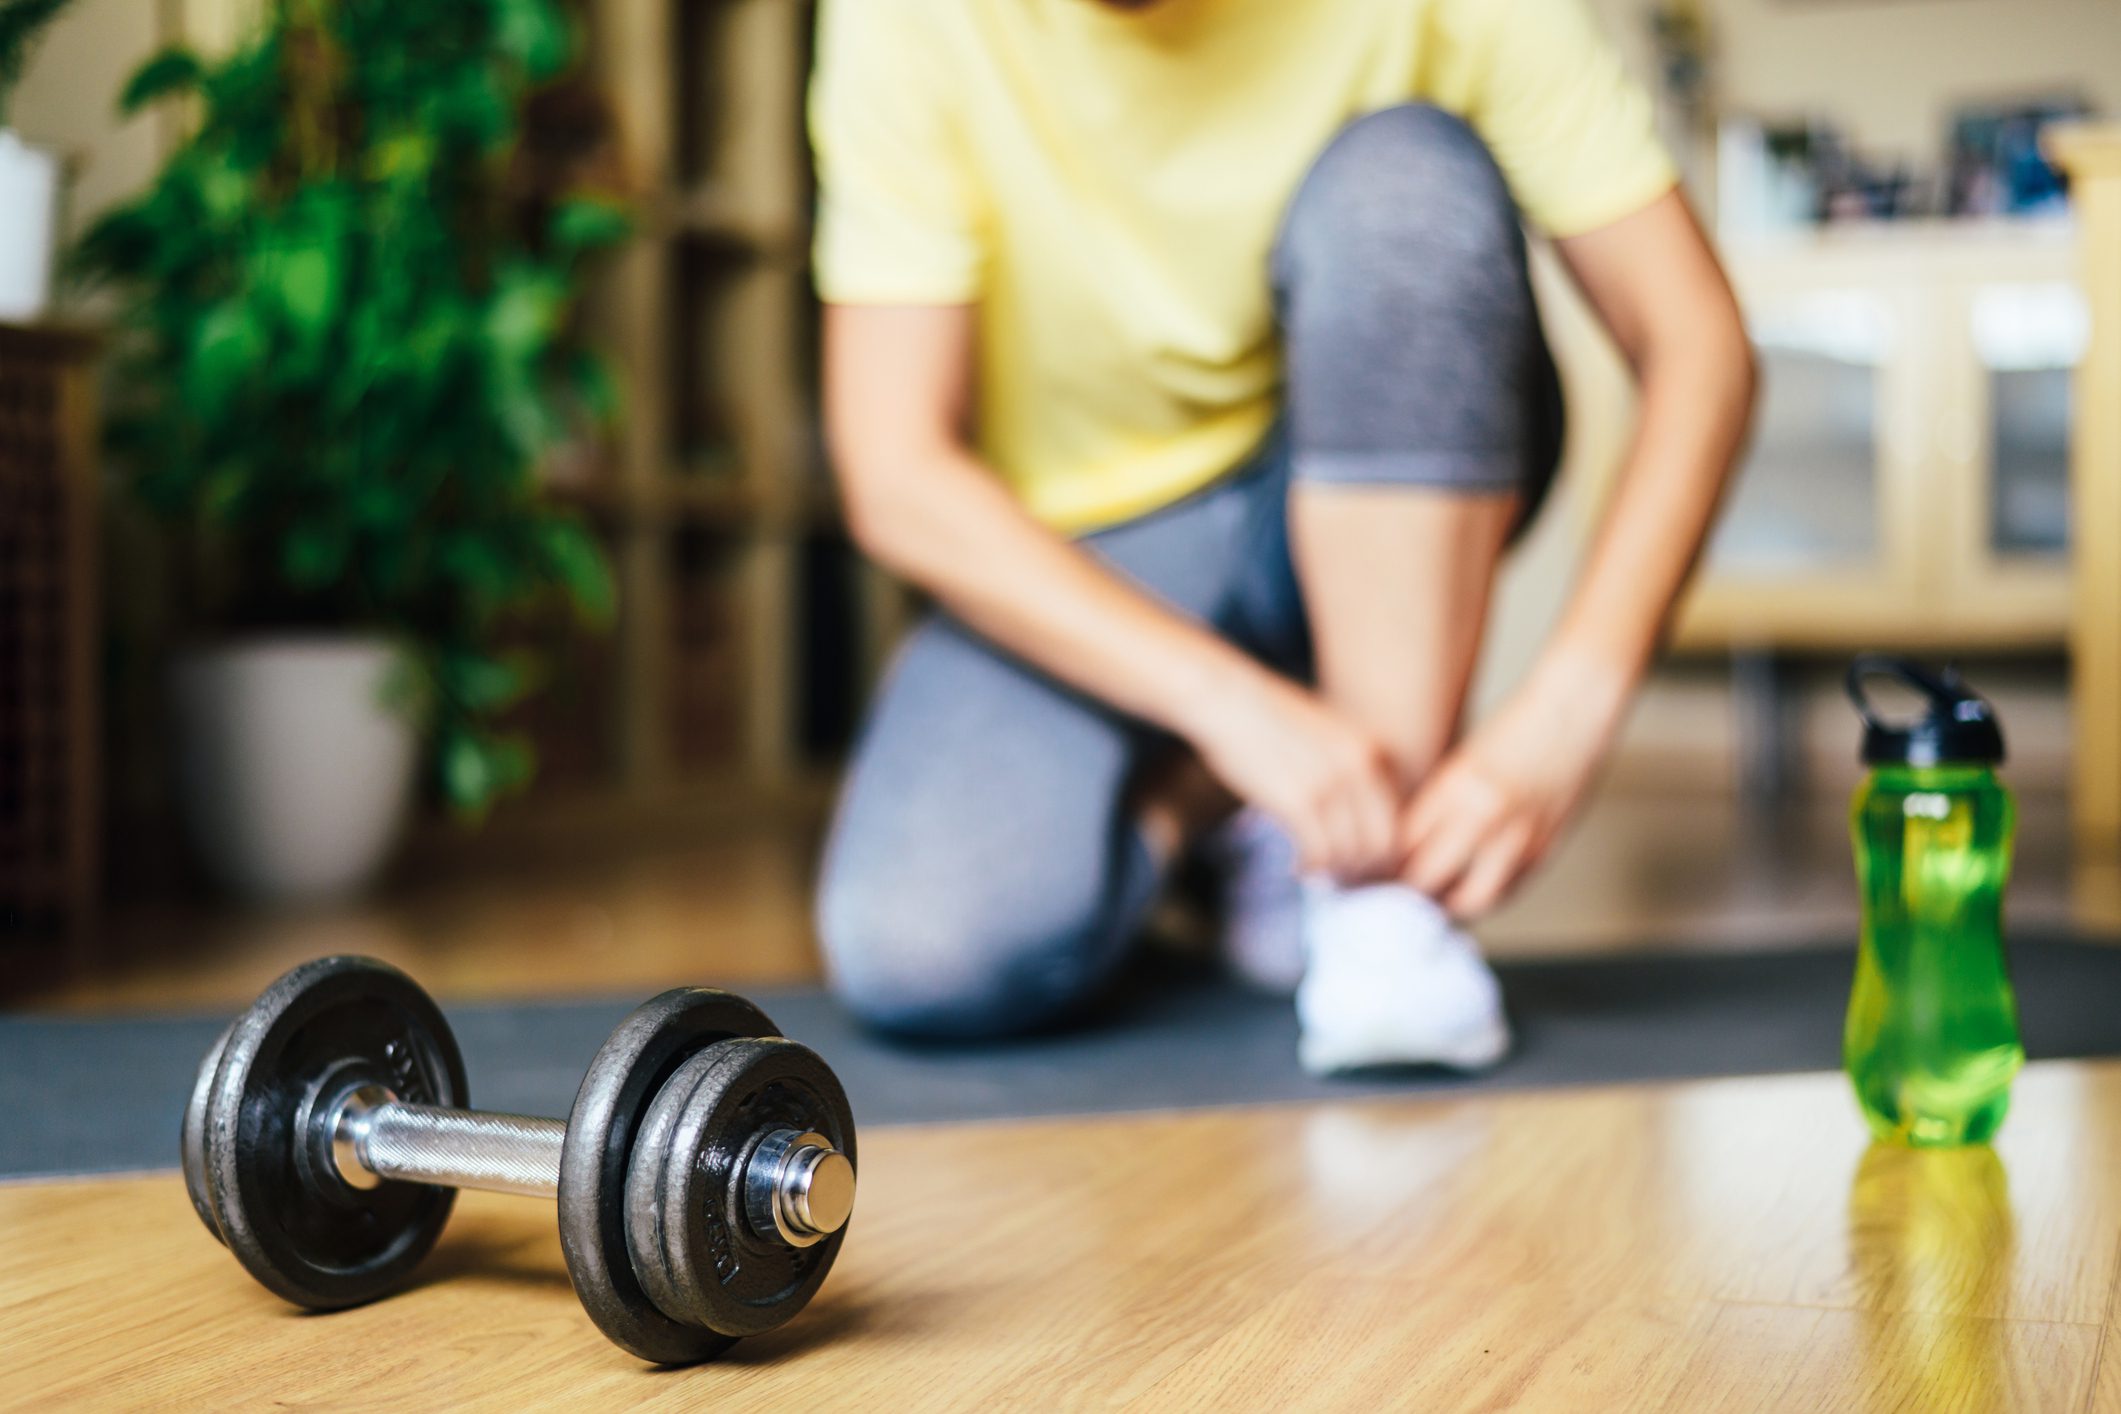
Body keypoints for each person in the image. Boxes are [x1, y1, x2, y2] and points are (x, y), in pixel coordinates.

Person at [807, 0, 1756, 1072]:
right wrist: (1229, 712)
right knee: (926, 948)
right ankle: (1232, 806)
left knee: (1406, 187)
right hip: (1091, 546)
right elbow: (897, 473)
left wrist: (1568, 712)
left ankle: (1376, 898)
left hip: (1345, 464)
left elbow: (1699, 345)